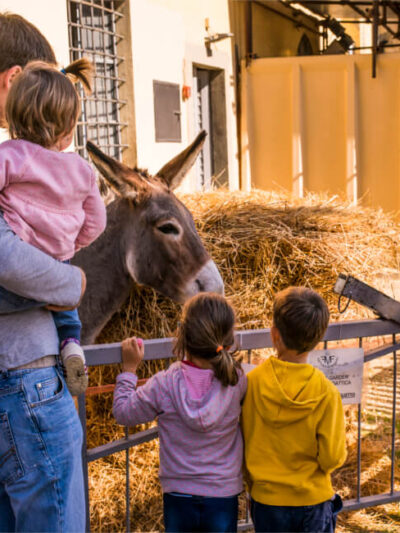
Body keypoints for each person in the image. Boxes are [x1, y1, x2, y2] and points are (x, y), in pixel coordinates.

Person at [0, 14, 87, 531]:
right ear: (14, 81)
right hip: (26, 380)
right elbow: (9, 256)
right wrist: (70, 282)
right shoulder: (15, 159)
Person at [0, 58, 106, 395]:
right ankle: (72, 345)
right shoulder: (82, 170)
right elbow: (97, 221)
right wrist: (72, 243)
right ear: (69, 128)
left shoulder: (9, 156)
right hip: (58, 258)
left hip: (20, 256)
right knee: (66, 310)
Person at [113, 293, 247, 533]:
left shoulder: (164, 383)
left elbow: (123, 412)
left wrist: (129, 370)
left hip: (178, 494)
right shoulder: (237, 380)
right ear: (228, 340)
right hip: (222, 493)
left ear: (182, 335)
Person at [241, 287, 347, 533]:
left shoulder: (253, 382)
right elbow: (332, 457)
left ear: (274, 335)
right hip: (313, 500)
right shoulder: (327, 392)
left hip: (267, 501)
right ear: (318, 337)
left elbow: (246, 437)